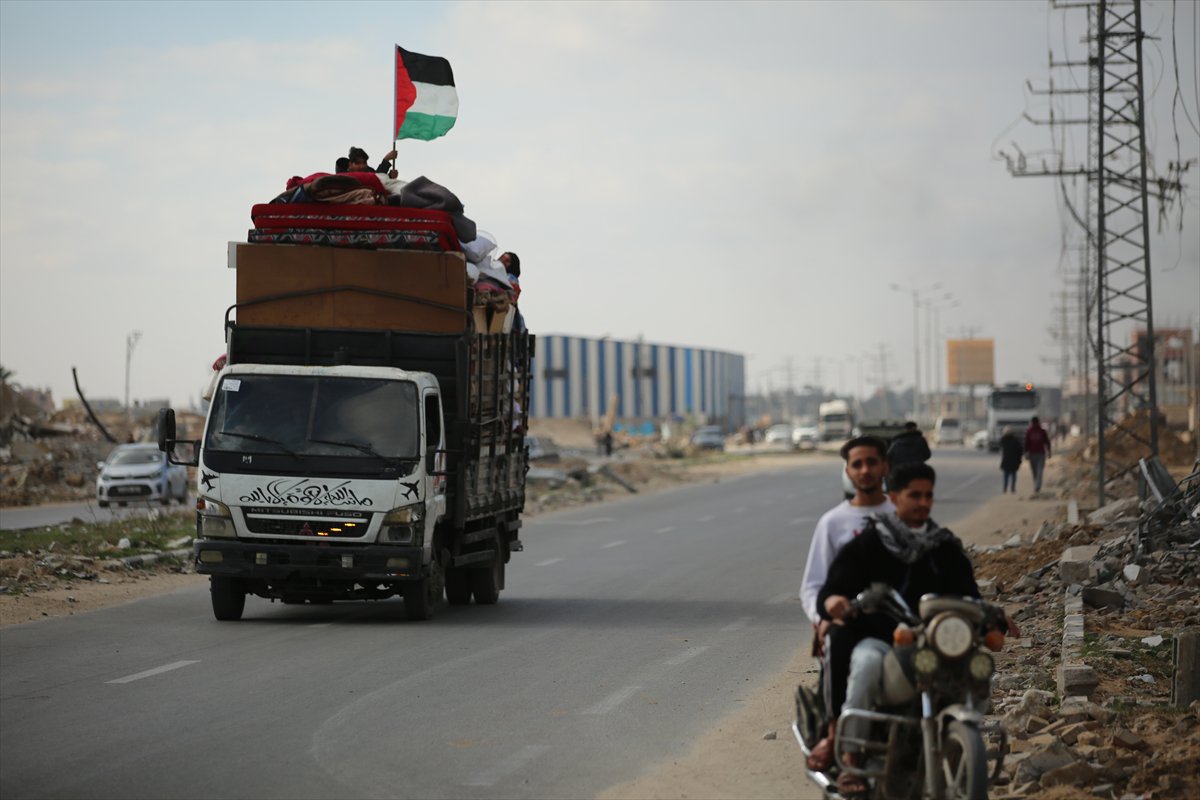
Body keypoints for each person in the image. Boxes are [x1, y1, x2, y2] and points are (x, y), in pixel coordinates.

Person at [817, 462, 983, 796]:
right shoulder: (871, 541)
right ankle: (851, 755)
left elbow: (969, 595)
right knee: (865, 665)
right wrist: (834, 601)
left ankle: (964, 753)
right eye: (915, 495)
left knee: (976, 670)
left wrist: (991, 616)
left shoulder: (944, 547)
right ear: (894, 497)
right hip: (880, 641)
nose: (923, 502)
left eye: (929, 496)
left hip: (933, 645)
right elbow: (832, 588)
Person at [799, 435, 894, 773]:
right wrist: (822, 616)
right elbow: (813, 586)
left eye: (872, 462)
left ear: (885, 466)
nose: (865, 470)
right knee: (839, 643)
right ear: (848, 471)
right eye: (857, 464)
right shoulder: (833, 523)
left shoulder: (903, 514)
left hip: (899, 621)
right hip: (849, 623)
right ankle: (835, 732)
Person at [1023, 416, 1051, 493]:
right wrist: (1049, 452)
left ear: (1032, 422)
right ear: (1038, 422)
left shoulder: (1029, 431)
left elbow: (1026, 443)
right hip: (1041, 453)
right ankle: (1037, 484)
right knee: (1039, 471)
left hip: (1032, 454)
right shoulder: (1042, 431)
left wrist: (1026, 453)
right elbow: (1047, 442)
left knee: (1035, 471)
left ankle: (1037, 485)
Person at [499, 252, 525, 333]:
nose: (502, 261)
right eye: (502, 257)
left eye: (507, 260)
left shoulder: (511, 278)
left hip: (506, 317)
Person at [999, 425, 1023, 494]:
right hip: (1014, 460)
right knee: (1013, 475)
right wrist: (1019, 459)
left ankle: (1005, 488)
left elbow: (1000, 445)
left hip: (1006, 460)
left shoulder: (1003, 440)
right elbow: (1020, 450)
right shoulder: (1015, 440)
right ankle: (1012, 488)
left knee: (1006, 476)